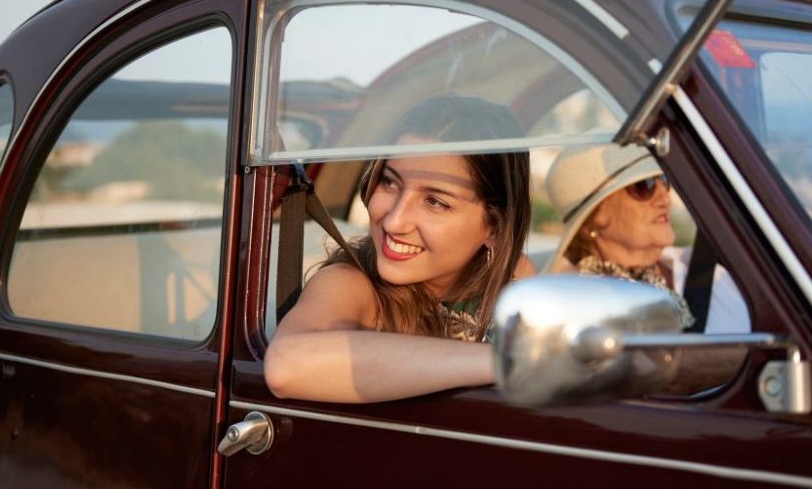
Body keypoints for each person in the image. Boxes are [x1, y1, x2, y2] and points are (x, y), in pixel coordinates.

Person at [265, 95, 531, 403]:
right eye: (390, 183)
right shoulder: (349, 284)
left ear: (494, 228)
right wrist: (502, 361)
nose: (394, 221)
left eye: (435, 201)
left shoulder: (513, 279)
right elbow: (286, 367)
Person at [544, 143, 750, 334]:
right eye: (645, 185)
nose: (664, 199)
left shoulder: (711, 269)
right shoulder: (575, 307)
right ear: (596, 216)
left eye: (665, 181)